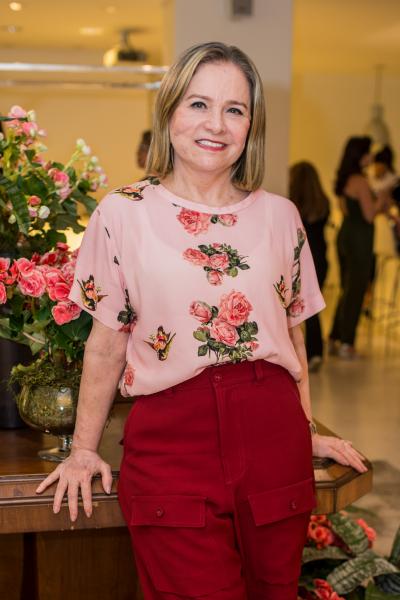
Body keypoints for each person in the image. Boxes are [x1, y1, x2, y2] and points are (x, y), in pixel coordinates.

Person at [36, 42, 367, 600]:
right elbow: (106, 342)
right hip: (171, 443)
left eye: (234, 109)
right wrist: (84, 449)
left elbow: (292, 334)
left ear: (250, 126)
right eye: (198, 104)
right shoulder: (122, 213)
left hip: (273, 436)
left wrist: (306, 430)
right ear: (169, 111)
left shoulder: (281, 217)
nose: (216, 124)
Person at [329, 136, 391, 359]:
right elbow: (369, 215)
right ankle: (347, 343)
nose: (371, 156)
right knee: (356, 290)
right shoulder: (361, 181)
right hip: (360, 239)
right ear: (360, 155)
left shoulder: (345, 179)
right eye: (368, 152)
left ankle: (335, 338)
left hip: (346, 234)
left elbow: (350, 210)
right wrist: (383, 196)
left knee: (346, 289)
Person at [289, 162, 330, 372]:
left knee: (291, 310)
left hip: (298, 259)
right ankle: (316, 352)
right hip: (320, 258)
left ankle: (295, 353)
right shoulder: (323, 203)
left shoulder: (291, 206)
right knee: (312, 307)